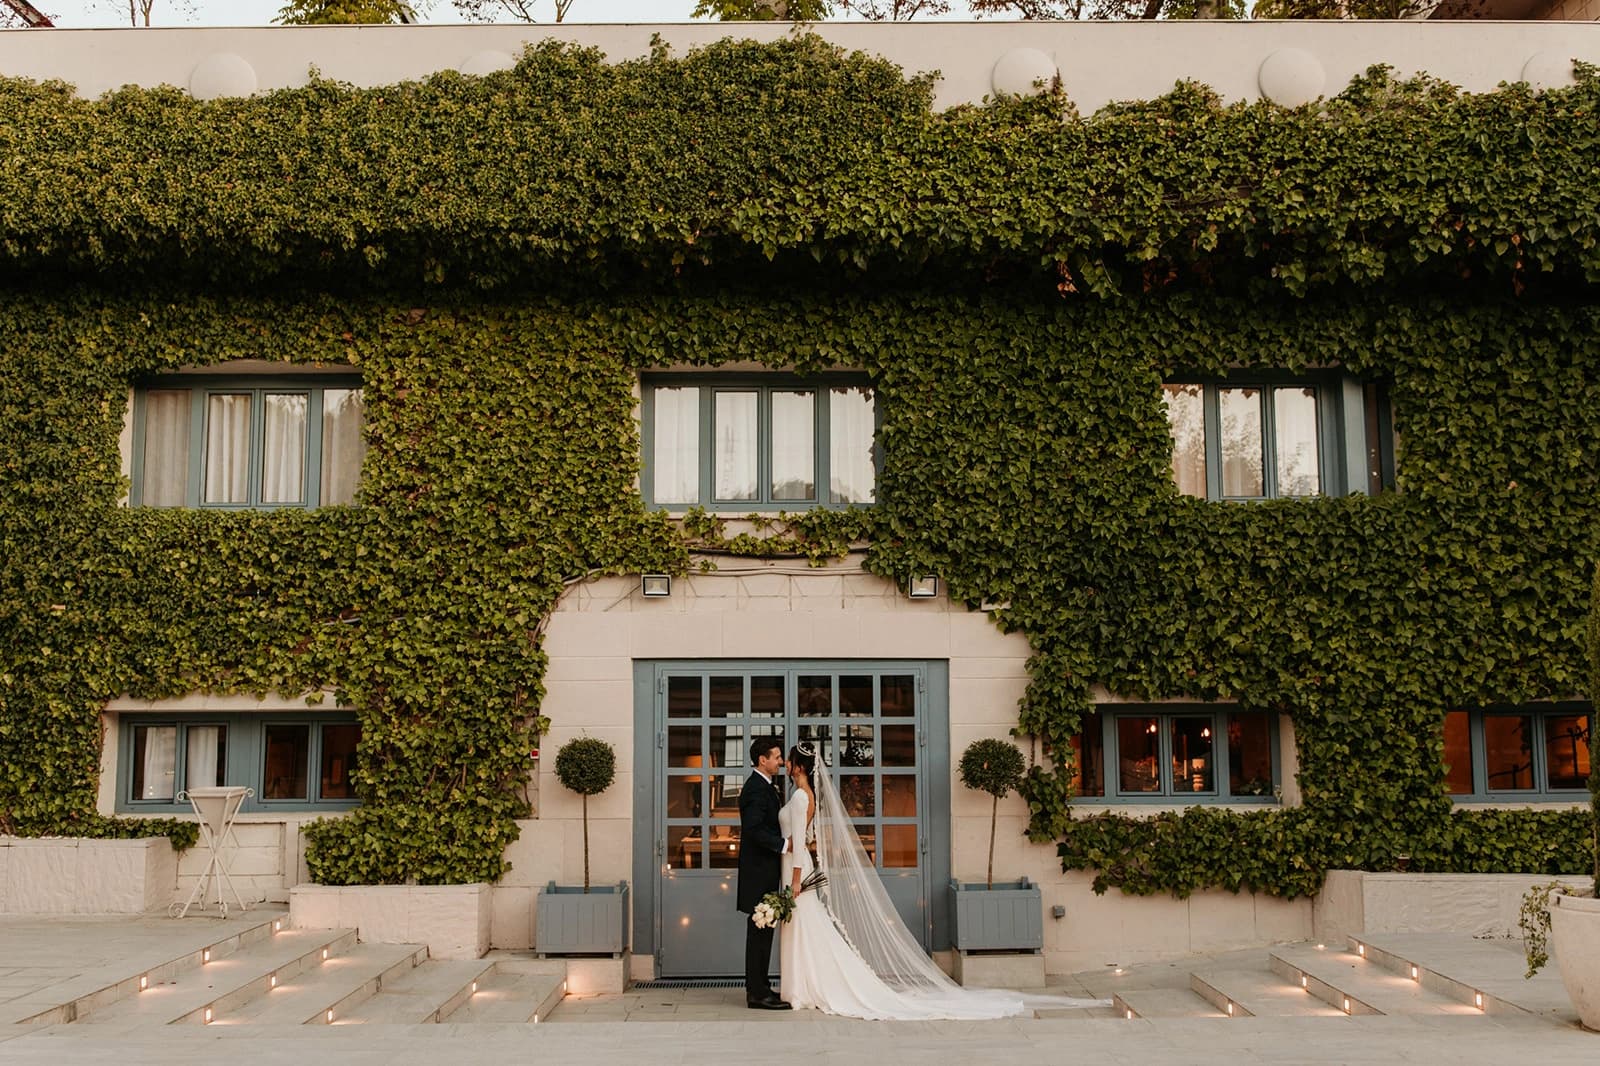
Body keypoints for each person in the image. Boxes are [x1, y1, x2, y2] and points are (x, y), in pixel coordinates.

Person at [778, 741, 1107, 1020]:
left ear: (798, 766)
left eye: (789, 761)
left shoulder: (799, 798)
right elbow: (804, 840)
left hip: (797, 869)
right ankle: (808, 983)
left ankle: (808, 985)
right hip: (802, 864)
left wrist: (795, 879)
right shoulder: (809, 796)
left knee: (806, 925)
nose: (787, 765)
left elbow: (796, 842)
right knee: (808, 926)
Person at [736, 735, 792, 1010]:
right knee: (759, 931)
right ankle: (757, 993)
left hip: (766, 872)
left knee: (763, 931)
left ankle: (761, 986)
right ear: (763, 760)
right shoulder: (756, 789)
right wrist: (783, 844)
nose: (781, 762)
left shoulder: (766, 786)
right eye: (777, 757)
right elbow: (754, 829)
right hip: (759, 873)